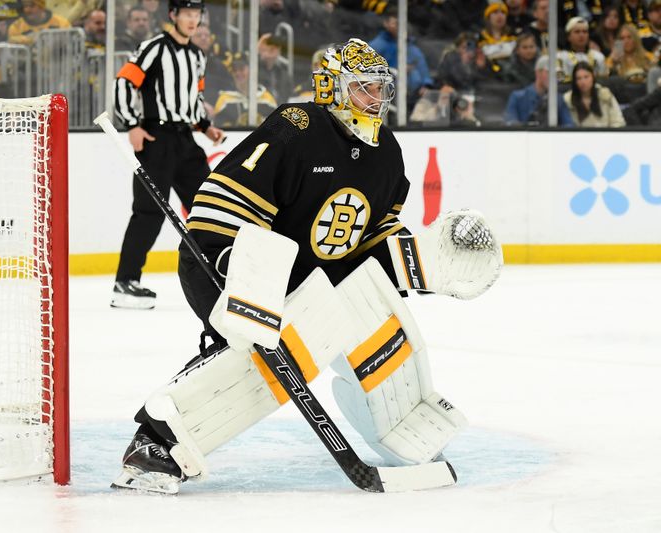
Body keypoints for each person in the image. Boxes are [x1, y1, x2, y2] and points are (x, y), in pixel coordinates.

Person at [111, 37, 500, 495]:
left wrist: (424, 263)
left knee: (372, 312)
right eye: (364, 89)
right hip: (228, 262)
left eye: (381, 89)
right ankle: (157, 441)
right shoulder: (296, 129)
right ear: (332, 88)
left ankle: (402, 421)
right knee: (276, 347)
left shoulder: (386, 153)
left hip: (308, 281)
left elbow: (369, 241)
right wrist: (235, 268)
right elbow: (222, 205)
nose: (377, 100)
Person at [111, 0, 225, 309]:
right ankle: (125, 282)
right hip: (156, 137)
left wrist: (205, 126)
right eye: (186, 14)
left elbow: (194, 97)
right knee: (149, 211)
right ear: (173, 15)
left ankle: (222, 273)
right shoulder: (154, 47)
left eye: (196, 14)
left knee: (210, 206)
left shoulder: (196, 55)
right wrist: (132, 125)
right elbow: (124, 81)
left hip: (185, 140)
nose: (192, 20)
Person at [369, 4, 433, 109]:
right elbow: (370, 72)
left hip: (413, 96)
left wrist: (425, 85)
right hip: (389, 95)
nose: (399, 26)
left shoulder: (410, 46)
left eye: (401, 23)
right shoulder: (377, 45)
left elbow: (422, 66)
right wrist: (397, 70)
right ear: (386, 24)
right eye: (395, 23)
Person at [212, 51, 279, 127]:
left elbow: (276, 127)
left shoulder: (266, 99)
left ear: (252, 70)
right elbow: (220, 129)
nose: (238, 73)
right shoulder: (224, 100)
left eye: (241, 69)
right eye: (234, 70)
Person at [504, 54, 575, 126]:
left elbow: (569, 125)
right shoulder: (517, 97)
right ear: (538, 73)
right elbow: (510, 123)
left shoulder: (558, 99)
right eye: (549, 73)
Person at [563, 61, 625, 127]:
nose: (583, 82)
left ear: (593, 77)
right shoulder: (567, 99)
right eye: (579, 78)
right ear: (574, 81)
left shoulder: (605, 94)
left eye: (586, 77)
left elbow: (618, 122)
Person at [558, 16, 608, 82]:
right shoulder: (560, 57)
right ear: (568, 37)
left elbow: (604, 81)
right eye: (577, 32)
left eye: (585, 32)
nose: (581, 35)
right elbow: (559, 82)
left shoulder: (598, 57)